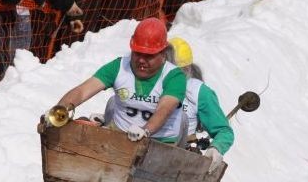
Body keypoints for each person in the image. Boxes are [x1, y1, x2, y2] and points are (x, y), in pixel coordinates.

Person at [55, 17, 186, 144]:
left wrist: (145, 130)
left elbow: (164, 110)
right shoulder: (118, 67)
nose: (141, 60)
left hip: (159, 142)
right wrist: (60, 110)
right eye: (137, 53)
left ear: (163, 54)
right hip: (120, 136)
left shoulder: (174, 76)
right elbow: (82, 91)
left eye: (148, 56)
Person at [167, 37, 233, 172]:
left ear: (186, 70)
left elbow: (224, 131)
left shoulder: (199, 93)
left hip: (179, 154)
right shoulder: (150, 83)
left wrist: (216, 147)